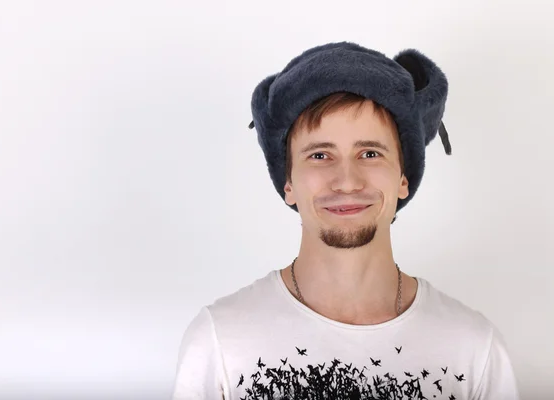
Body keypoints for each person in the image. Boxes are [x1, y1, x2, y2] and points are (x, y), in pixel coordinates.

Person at [171, 41, 520, 400]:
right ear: (288, 183)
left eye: (370, 153)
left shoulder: (474, 349)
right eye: (320, 155)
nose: (348, 181)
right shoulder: (221, 343)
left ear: (404, 178)